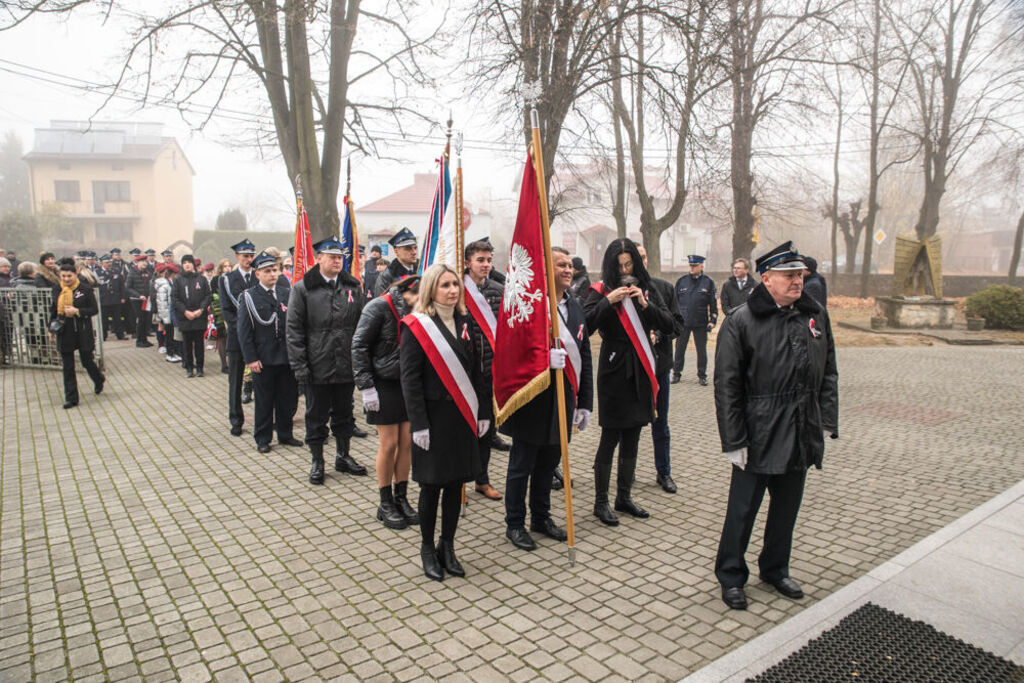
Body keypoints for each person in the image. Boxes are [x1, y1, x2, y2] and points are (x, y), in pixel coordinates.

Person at [713, 241, 839, 611]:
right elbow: (727, 386)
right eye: (789, 275)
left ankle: (774, 567)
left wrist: (826, 420)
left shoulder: (813, 316)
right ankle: (732, 575)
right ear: (766, 278)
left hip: (801, 429)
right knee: (742, 510)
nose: (798, 281)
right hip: (759, 433)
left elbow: (828, 370)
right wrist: (734, 440)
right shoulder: (742, 321)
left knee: (787, 508)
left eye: (800, 274)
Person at [400, 264, 491, 581]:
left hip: (463, 416)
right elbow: (409, 380)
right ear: (430, 289)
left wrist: (483, 412)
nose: (453, 290)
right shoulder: (416, 326)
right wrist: (418, 424)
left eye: (455, 284)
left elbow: (478, 372)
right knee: (431, 486)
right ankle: (427, 548)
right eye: (445, 285)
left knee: (457, 484)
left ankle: (447, 546)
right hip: (433, 420)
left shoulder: (467, 322)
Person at [502, 247, 593, 551]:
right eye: (561, 265)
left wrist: (586, 403)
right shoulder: (530, 306)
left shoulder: (577, 307)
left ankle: (540, 517)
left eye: (570, 265)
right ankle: (514, 523)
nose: (568, 269)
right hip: (533, 401)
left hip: (563, 401)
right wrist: (543, 360)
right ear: (545, 269)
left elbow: (585, 356)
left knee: (548, 464)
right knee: (521, 467)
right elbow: (511, 351)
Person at [581, 238, 674, 526]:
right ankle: (600, 501)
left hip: (642, 366)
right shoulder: (598, 291)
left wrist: (645, 304)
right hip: (613, 368)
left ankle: (624, 496)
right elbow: (586, 326)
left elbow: (671, 326)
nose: (624, 270)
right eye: (619, 265)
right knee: (611, 436)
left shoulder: (649, 290)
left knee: (634, 433)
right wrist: (608, 302)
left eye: (628, 264)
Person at [287, 236, 368, 484]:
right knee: (316, 415)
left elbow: (361, 326)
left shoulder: (353, 287)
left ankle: (343, 455)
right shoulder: (303, 289)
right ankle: (317, 460)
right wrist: (300, 367)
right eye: (331, 256)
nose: (337, 260)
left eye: (339, 256)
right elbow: (294, 330)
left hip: (345, 363)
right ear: (318, 258)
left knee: (345, 413)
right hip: (317, 365)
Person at [352, 274, 421, 529]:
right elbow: (359, 346)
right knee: (389, 444)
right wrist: (366, 387)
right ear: (406, 292)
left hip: (407, 383)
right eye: (419, 296)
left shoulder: (418, 311)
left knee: (406, 444)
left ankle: (401, 497)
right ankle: (385, 501)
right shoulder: (379, 307)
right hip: (382, 384)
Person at [236, 251, 303, 453]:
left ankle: (285, 434)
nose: (273, 274)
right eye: (267, 271)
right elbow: (244, 331)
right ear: (257, 274)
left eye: (275, 270)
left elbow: (294, 325)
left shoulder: (286, 292)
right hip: (263, 358)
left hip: (286, 357)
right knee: (264, 401)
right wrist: (251, 358)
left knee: (287, 399)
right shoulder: (249, 297)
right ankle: (263, 437)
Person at [462, 239, 508, 501]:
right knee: (463, 430)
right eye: (480, 260)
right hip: (464, 373)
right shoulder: (457, 289)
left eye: (489, 260)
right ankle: (458, 482)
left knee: (485, 429)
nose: (486, 265)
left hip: (489, 373)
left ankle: (482, 479)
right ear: (468, 262)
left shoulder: (498, 290)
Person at [636, 245, 684, 494]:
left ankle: (663, 472)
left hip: (660, 367)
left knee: (660, 423)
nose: (640, 261)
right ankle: (626, 472)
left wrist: (658, 335)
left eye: (643, 256)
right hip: (632, 371)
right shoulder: (618, 292)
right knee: (629, 425)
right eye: (635, 257)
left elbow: (677, 325)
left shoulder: (663, 288)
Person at [49, 258, 105, 409]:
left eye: (69, 276)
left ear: (75, 275)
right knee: (68, 366)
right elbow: (53, 309)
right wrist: (51, 328)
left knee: (86, 360)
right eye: (63, 276)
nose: (66, 279)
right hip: (64, 330)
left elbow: (94, 309)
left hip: (82, 329)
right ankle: (71, 398)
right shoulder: (57, 289)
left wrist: (78, 311)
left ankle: (98, 379)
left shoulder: (85, 289)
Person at [220, 239, 258, 436]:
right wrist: (243, 330)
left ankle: (262, 420)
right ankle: (236, 420)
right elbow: (227, 310)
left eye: (251, 256)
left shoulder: (258, 276)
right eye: (245, 256)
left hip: (257, 338)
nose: (249, 260)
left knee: (260, 382)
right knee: (235, 382)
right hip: (236, 338)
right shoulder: (226, 280)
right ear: (237, 257)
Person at [672, 254, 717, 386]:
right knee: (679, 349)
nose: (692, 268)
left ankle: (702, 375)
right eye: (690, 265)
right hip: (683, 322)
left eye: (695, 265)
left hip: (700, 322)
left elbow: (713, 304)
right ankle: (676, 373)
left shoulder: (708, 282)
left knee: (701, 350)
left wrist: (712, 320)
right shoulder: (682, 281)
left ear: (701, 266)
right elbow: (675, 302)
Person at [172, 254, 212, 378]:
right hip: (185, 317)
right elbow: (175, 298)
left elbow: (208, 296)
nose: (187, 265)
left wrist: (201, 309)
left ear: (193, 265)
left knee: (199, 344)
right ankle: (189, 367)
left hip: (199, 317)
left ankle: (199, 367)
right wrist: (185, 311)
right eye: (184, 263)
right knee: (187, 345)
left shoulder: (201, 279)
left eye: (189, 262)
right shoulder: (178, 280)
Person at [374, 228, 418, 296]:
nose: (414, 252)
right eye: (408, 249)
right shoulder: (386, 276)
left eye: (415, 248)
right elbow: (380, 304)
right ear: (396, 251)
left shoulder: (423, 270)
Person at [126, 253, 155, 347]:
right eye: (142, 261)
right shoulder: (132, 272)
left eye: (145, 261)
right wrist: (139, 296)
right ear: (137, 262)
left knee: (146, 319)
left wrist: (150, 295)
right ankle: (139, 340)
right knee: (141, 319)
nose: (144, 263)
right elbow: (128, 287)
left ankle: (144, 339)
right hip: (137, 300)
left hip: (146, 300)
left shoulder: (147, 272)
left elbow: (150, 284)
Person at [96, 254, 127, 340]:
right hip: (104, 300)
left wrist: (123, 297)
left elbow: (122, 286)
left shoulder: (116, 271)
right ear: (102, 263)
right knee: (104, 319)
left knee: (117, 318)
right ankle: (103, 336)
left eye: (110, 262)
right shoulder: (97, 272)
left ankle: (120, 335)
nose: (109, 264)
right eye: (106, 262)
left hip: (115, 299)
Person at [154, 263, 181, 362]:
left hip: (172, 314)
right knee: (169, 335)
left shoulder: (171, 283)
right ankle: (170, 353)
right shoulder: (164, 285)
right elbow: (162, 302)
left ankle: (174, 352)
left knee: (173, 335)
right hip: (167, 314)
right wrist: (165, 317)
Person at [210, 259, 232, 373]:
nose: (227, 268)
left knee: (231, 338)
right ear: (221, 269)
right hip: (220, 313)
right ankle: (224, 364)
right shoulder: (215, 280)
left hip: (232, 313)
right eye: (225, 266)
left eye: (229, 266)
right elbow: (214, 297)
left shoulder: (233, 278)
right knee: (222, 338)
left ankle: (232, 362)